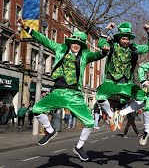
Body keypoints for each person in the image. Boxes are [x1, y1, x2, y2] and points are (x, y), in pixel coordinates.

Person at [17, 18, 109, 161]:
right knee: (36, 109)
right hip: (58, 92)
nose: (76, 45)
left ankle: (79, 146)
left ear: (82, 45)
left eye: (79, 43)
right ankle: (49, 130)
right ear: (70, 42)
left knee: (90, 123)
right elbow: (43, 39)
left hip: (75, 96)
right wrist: (26, 28)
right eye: (74, 42)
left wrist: (104, 50)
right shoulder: (60, 48)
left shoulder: (85, 55)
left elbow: (99, 55)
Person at [96, 22, 149, 131]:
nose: (126, 41)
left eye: (128, 39)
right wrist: (107, 29)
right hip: (111, 82)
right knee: (99, 96)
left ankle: (121, 114)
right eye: (123, 39)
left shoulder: (134, 48)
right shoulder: (112, 45)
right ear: (119, 38)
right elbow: (101, 43)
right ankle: (110, 115)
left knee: (145, 99)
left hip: (126, 83)